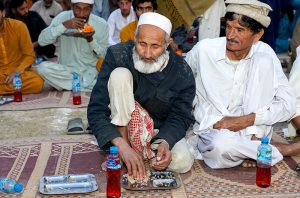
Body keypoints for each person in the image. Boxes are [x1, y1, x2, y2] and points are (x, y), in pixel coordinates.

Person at [185, 0, 299, 169]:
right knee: (221, 146)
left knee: (263, 61)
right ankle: (278, 149)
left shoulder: (265, 53)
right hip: (215, 129)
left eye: (239, 30)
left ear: (258, 34)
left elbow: (287, 105)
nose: (230, 35)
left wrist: (247, 120)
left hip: (254, 129)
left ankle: (252, 146)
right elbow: (180, 85)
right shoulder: (204, 51)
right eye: (228, 27)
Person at [88, 12, 195, 178]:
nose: (146, 53)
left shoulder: (181, 70)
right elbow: (96, 109)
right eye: (142, 44)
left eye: (155, 46)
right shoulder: (117, 56)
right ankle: (122, 151)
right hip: (121, 131)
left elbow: (181, 115)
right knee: (119, 75)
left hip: (158, 131)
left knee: (182, 162)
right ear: (134, 38)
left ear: (168, 44)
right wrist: (122, 146)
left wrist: (165, 142)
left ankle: (146, 153)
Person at [36, 0, 109, 91]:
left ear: (91, 8)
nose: (82, 14)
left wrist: (90, 40)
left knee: (111, 74)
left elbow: (104, 55)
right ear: (72, 6)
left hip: (91, 72)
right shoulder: (62, 18)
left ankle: (69, 85)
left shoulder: (102, 24)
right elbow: (42, 41)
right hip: (67, 71)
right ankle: (86, 86)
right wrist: (64, 26)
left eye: (86, 9)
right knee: (42, 68)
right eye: (78, 9)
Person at [0, 1, 44, 95]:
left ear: (3, 13)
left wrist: (16, 72)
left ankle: (5, 89)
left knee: (37, 83)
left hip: (18, 71)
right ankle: (12, 88)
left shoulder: (19, 26)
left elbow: (29, 55)